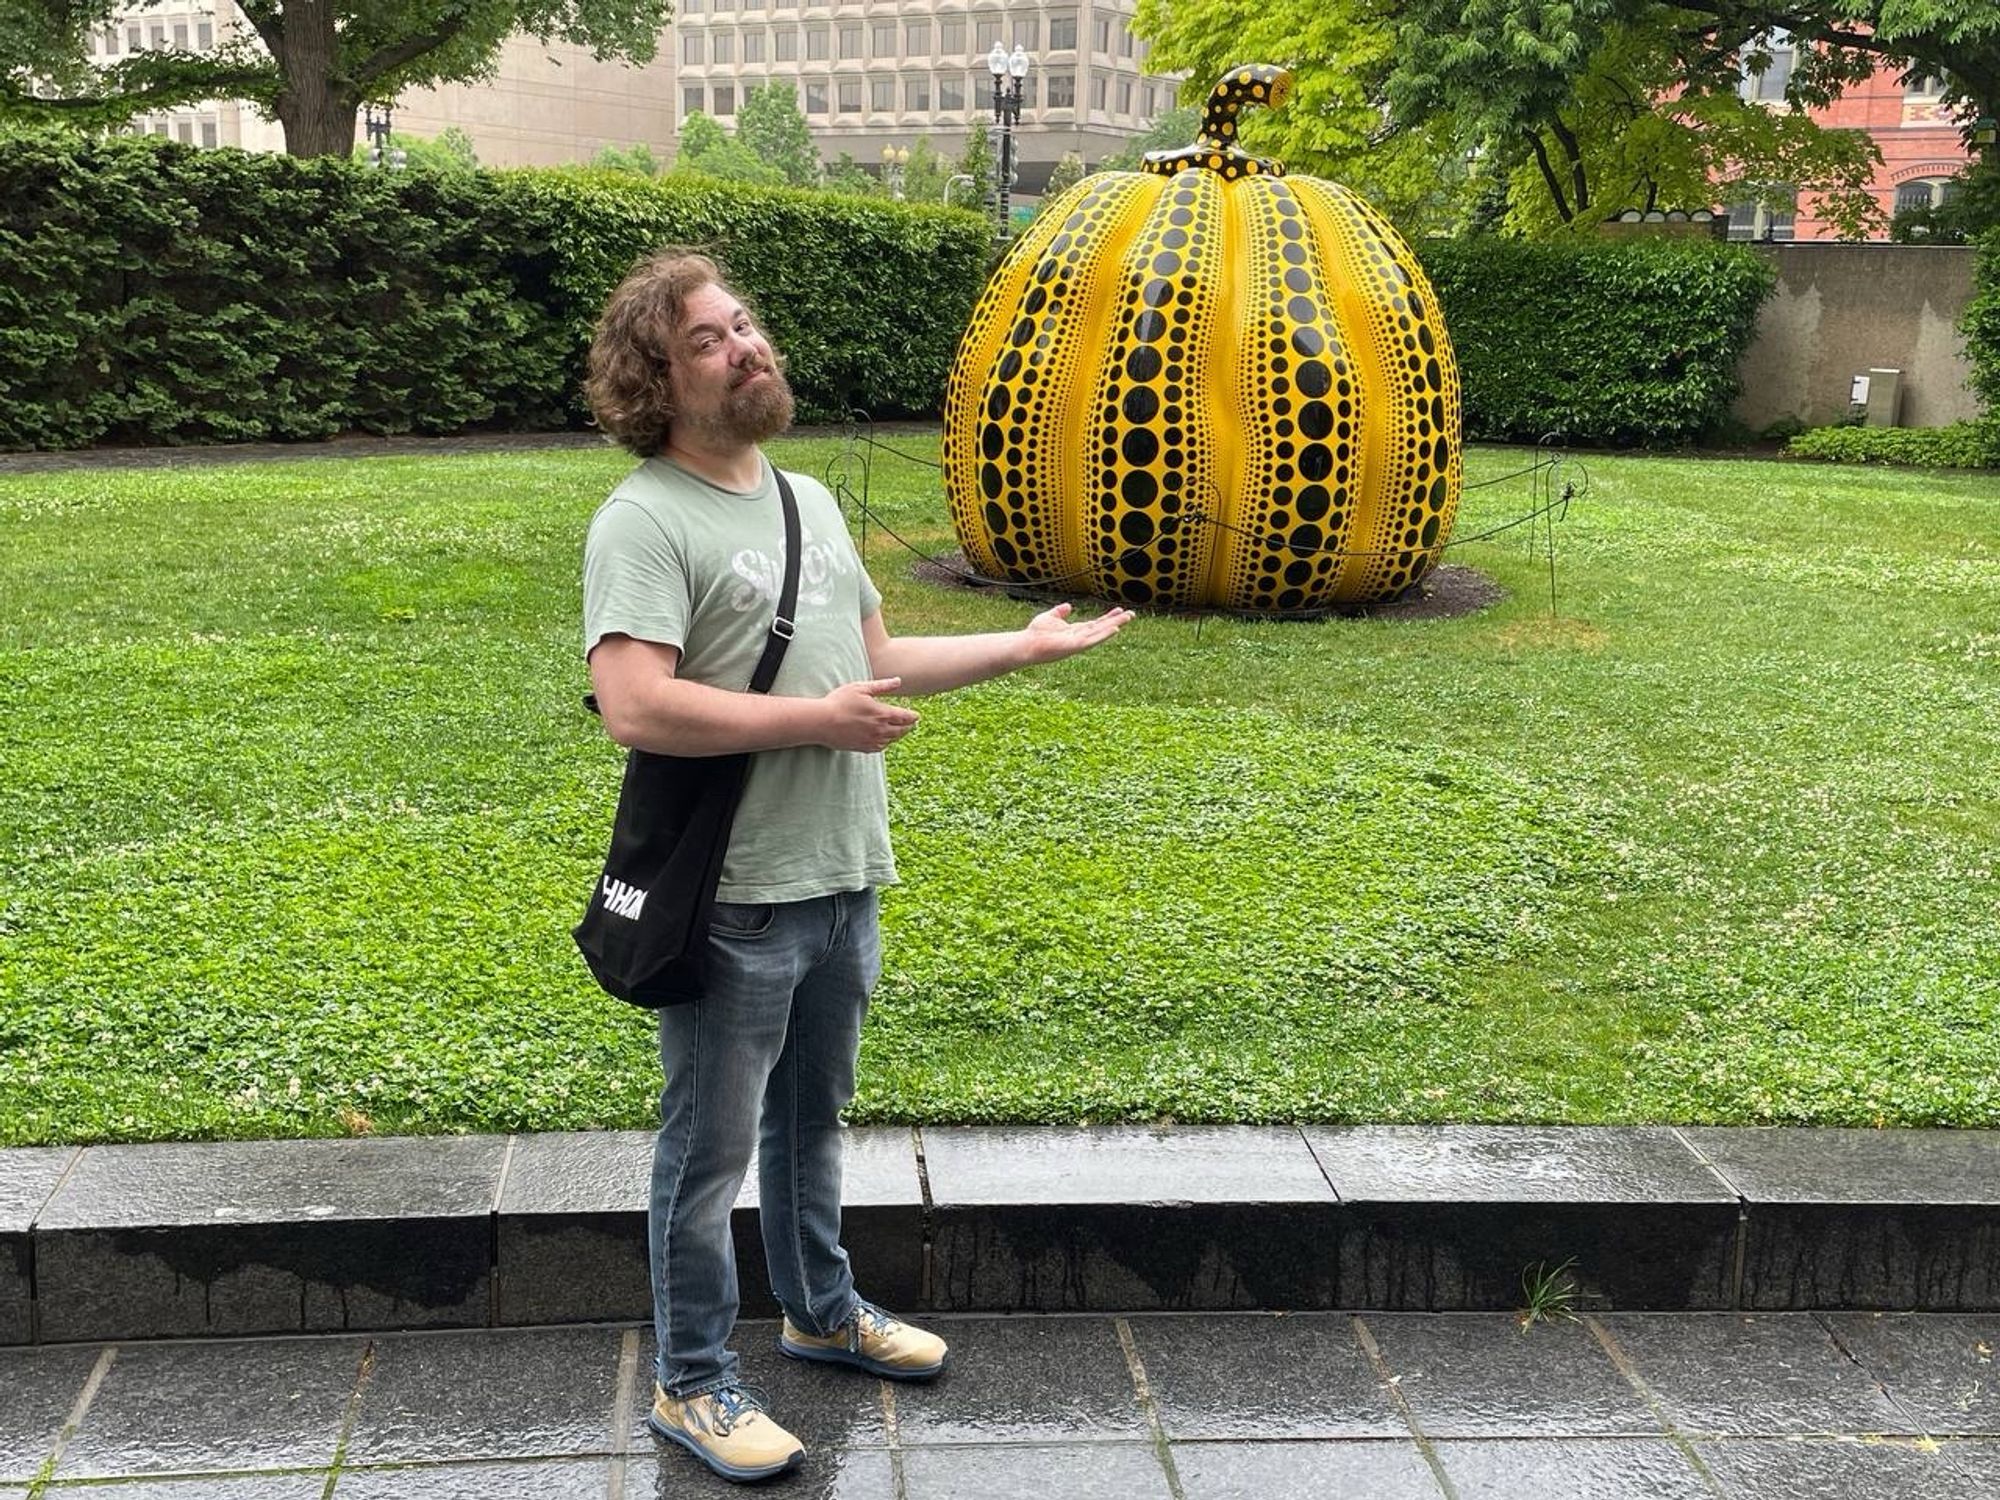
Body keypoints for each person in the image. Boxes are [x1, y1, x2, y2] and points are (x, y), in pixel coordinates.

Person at [580, 248, 1132, 1484]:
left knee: (808, 1124)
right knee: (705, 1152)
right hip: (732, 900)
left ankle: (820, 1314)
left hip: (840, 875)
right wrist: (813, 723)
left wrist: (1018, 650)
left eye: (745, 325)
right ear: (657, 378)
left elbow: (874, 655)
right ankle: (692, 1383)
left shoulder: (804, 497)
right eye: (714, 339)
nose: (747, 347)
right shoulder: (642, 519)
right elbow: (633, 704)